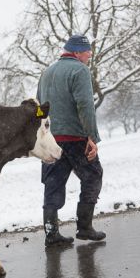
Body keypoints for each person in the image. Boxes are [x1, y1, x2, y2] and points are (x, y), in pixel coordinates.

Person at [37, 34, 106, 247]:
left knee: (52, 184)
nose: (89, 55)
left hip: (52, 140)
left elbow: (39, 106)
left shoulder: (46, 73)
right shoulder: (80, 70)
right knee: (93, 175)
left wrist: (42, 135)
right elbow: (85, 105)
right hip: (75, 138)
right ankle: (84, 228)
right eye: (87, 51)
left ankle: (51, 233)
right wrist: (92, 137)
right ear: (76, 52)